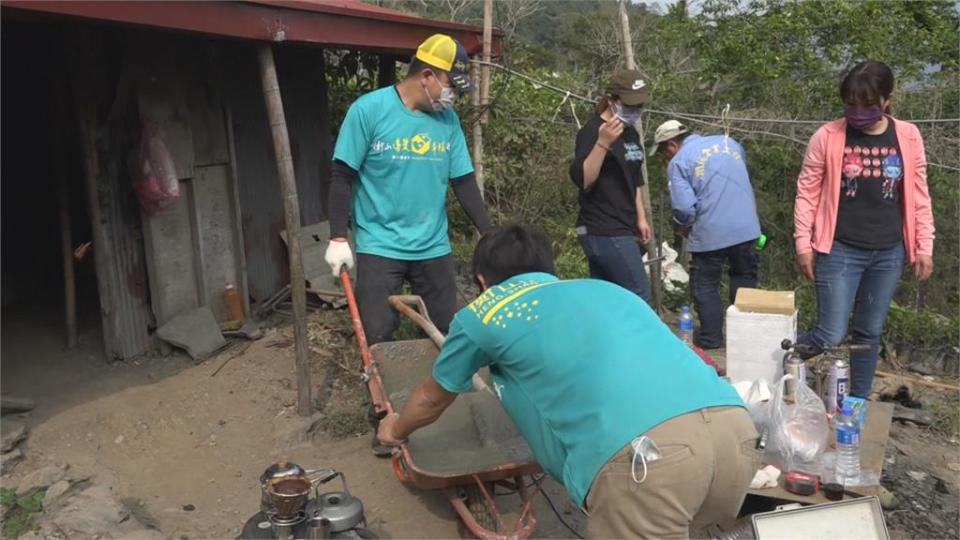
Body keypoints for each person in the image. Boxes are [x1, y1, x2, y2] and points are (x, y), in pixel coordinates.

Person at [377, 224, 760, 539]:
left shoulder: (486, 312)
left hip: (650, 457)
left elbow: (432, 398)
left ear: (481, 280)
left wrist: (395, 429)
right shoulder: (607, 290)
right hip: (735, 435)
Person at [324, 34, 492, 456]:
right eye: (450, 84)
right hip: (380, 244)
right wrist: (338, 237)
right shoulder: (369, 111)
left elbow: (463, 182)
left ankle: (450, 411)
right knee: (378, 336)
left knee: (450, 332)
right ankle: (383, 418)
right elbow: (342, 175)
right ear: (428, 76)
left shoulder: (446, 121)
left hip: (432, 245)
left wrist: (490, 233)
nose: (453, 94)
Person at [794, 61, 935, 398]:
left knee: (868, 333)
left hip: (889, 251)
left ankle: (856, 405)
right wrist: (803, 242)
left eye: (868, 104)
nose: (858, 111)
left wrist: (924, 245)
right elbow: (807, 191)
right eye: (851, 103)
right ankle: (782, 359)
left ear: (887, 99)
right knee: (830, 333)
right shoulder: (827, 137)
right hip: (840, 249)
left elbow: (918, 193)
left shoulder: (908, 136)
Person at [651, 120, 762, 349]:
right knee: (744, 278)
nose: (665, 158)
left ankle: (712, 339)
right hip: (747, 227)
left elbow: (684, 208)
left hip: (711, 230)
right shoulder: (729, 143)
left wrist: (682, 226)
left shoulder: (679, 162)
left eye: (663, 152)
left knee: (706, 285)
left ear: (671, 145)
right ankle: (744, 339)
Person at [569, 70, 654, 303]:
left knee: (606, 299)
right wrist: (603, 144)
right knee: (639, 297)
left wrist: (641, 217)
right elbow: (584, 179)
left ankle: (600, 339)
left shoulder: (631, 133)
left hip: (625, 224)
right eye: (629, 104)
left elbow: (634, 178)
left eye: (640, 105)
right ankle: (643, 340)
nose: (635, 110)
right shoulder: (592, 131)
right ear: (612, 100)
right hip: (603, 227)